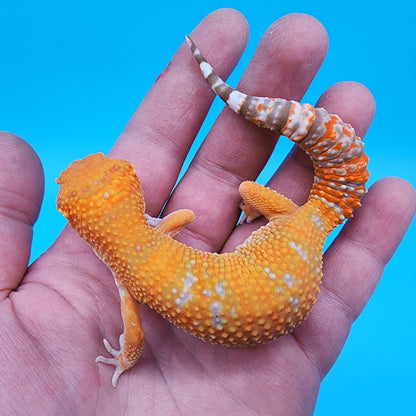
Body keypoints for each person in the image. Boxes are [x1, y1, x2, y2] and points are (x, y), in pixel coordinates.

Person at [0, 9, 414, 415]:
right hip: (291, 261)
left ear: (78, 221)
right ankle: (257, 193)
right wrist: (185, 217)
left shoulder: (127, 281)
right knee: (247, 188)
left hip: (291, 278)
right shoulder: (145, 252)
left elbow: (135, 340)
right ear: (132, 194)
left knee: (275, 200)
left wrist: (125, 360)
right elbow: (185, 220)